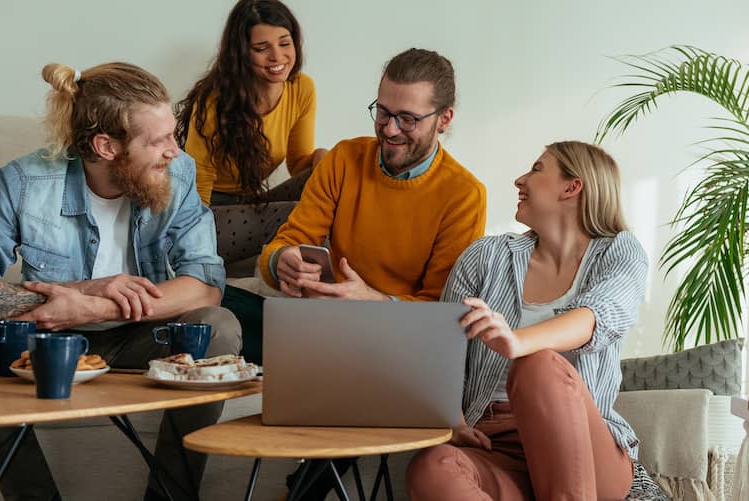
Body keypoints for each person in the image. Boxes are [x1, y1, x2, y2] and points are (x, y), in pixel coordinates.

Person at [0, 62, 241, 501]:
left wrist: (99, 307)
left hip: (139, 337)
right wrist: (81, 291)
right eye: (159, 140)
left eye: (174, 134)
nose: (175, 150)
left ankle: (170, 496)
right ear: (105, 146)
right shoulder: (25, 182)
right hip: (50, 343)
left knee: (217, 325)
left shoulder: (179, 174)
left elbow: (204, 285)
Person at [259, 48, 487, 499]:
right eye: (382, 112)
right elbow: (285, 243)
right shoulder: (344, 159)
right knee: (220, 308)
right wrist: (279, 261)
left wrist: (371, 301)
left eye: (407, 118)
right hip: (323, 327)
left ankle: (300, 493)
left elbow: (442, 313)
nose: (388, 129)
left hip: (404, 345)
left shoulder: (463, 194)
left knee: (356, 373)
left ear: (443, 119)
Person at [405, 141, 648, 501]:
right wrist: (454, 420)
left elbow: (598, 317)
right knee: (432, 465)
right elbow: (444, 350)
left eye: (536, 169)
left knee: (536, 366)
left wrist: (519, 342)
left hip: (586, 450)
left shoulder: (619, 251)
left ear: (572, 186)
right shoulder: (485, 257)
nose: (520, 180)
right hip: (496, 445)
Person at [176, 0, 326, 207]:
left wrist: (321, 159)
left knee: (328, 179)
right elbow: (198, 185)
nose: (277, 56)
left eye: (284, 43)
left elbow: (299, 164)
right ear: (241, 53)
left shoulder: (302, 88)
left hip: (252, 202)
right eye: (261, 48)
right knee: (294, 216)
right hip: (211, 206)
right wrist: (199, 233)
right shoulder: (213, 100)